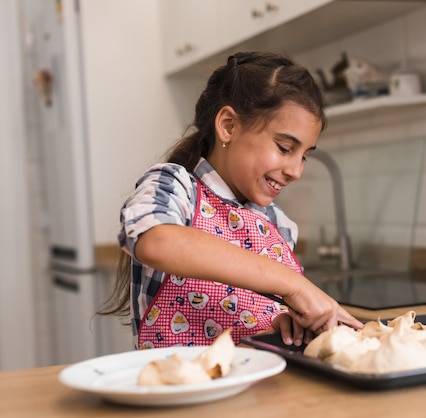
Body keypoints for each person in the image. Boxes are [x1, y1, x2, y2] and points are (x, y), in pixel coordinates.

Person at [100, 51, 363, 350]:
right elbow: (156, 241)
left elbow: (250, 312)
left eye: (304, 156)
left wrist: (277, 323)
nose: (296, 171)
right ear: (228, 125)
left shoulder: (279, 225)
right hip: (180, 387)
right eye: (284, 147)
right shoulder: (175, 186)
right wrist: (293, 283)